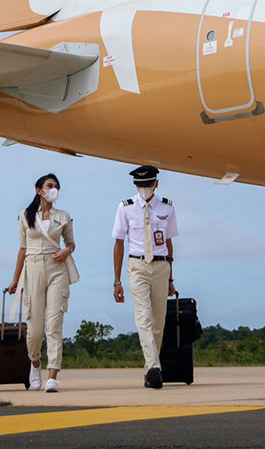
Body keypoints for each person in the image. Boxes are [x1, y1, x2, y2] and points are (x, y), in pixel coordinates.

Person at [6, 173, 78, 392]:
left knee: (54, 325)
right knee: (35, 328)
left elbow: (72, 243)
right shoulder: (25, 216)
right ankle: (35, 363)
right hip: (33, 267)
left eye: (57, 186)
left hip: (58, 268)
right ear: (39, 190)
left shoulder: (63, 216)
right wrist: (15, 279)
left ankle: (53, 375)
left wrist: (66, 251)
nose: (54, 189)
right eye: (50, 185)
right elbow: (22, 249)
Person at [111, 164, 178, 389]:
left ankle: (151, 369)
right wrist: (117, 281)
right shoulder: (125, 207)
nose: (144, 188)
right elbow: (118, 243)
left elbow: (168, 242)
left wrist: (170, 278)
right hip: (137, 264)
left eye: (148, 184)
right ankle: (154, 367)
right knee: (144, 317)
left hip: (161, 266)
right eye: (140, 185)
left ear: (156, 183)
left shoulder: (167, 207)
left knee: (159, 321)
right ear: (135, 186)